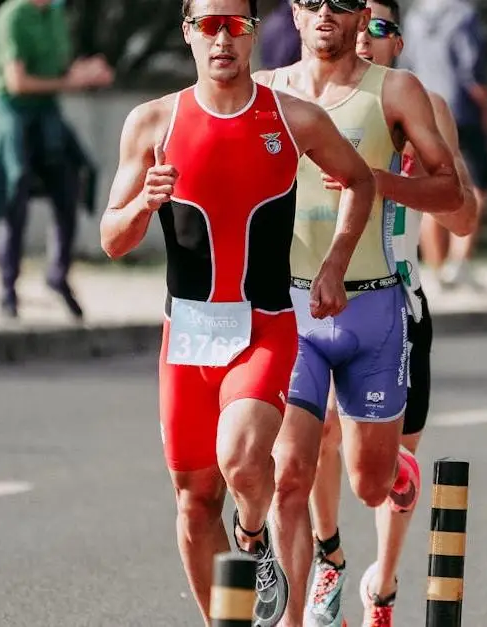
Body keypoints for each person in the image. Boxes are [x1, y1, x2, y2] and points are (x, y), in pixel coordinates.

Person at [99, 1, 377, 625]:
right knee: (196, 503)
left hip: (263, 328)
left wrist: (333, 265)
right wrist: (143, 205)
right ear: (188, 34)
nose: (222, 40)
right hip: (187, 340)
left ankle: (252, 539)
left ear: (253, 33)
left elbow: (358, 181)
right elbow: (111, 239)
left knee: (243, 460)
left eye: (236, 26)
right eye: (209, 26)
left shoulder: (292, 118)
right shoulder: (152, 123)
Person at [253, 1, 465, 623]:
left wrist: (377, 179)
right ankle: (297, 610)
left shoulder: (395, 92)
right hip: (292, 306)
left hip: (375, 307)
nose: (327, 12)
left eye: (344, 2)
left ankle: (391, 470)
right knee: (289, 476)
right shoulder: (265, 92)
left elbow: (452, 192)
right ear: (293, 12)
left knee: (368, 486)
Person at [0, 0, 115, 320]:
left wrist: (86, 71)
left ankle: (58, 274)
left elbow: (60, 69)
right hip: (12, 111)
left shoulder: (55, 14)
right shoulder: (12, 16)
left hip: (47, 111)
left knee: (70, 182)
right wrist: (72, 83)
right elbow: (17, 81)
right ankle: (7, 288)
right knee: (15, 191)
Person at [400, 0, 487, 291]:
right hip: (461, 110)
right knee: (478, 184)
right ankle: (459, 261)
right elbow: (473, 72)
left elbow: (406, 65)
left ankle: (436, 270)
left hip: (424, 108)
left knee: (433, 187)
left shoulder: (414, 16)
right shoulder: (463, 15)